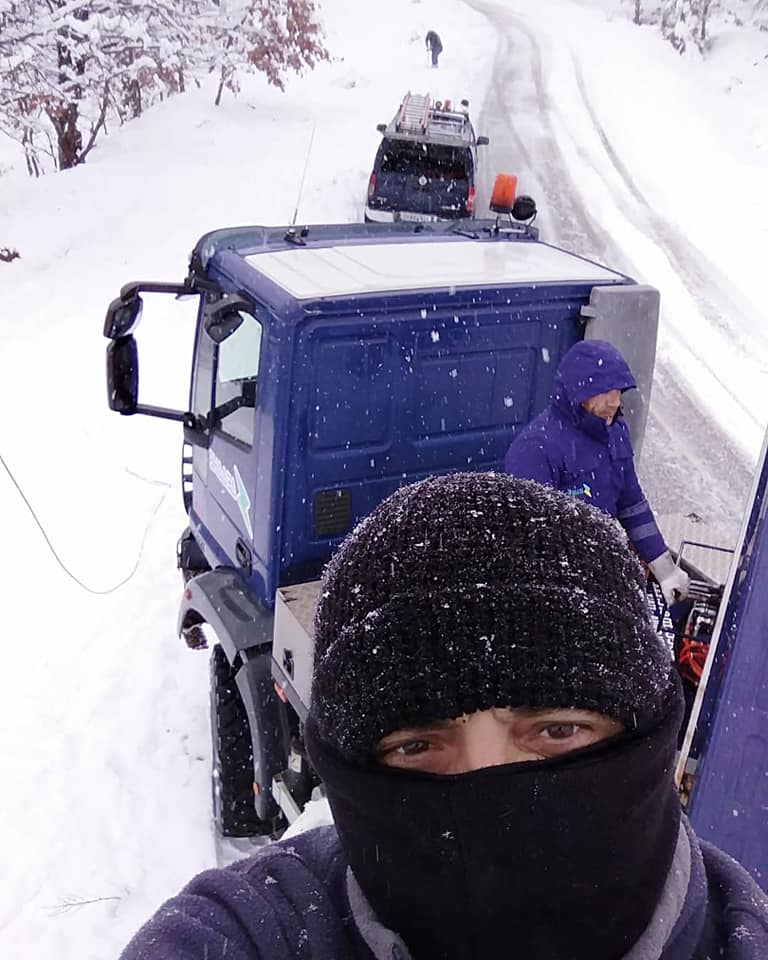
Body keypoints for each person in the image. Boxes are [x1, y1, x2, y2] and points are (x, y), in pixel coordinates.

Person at [120, 472, 767, 959]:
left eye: (556, 730)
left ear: (646, 736)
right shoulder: (257, 928)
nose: (486, 793)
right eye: (417, 746)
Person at [504, 338, 690, 605]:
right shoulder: (535, 449)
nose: (615, 402)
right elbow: (532, 541)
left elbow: (632, 504)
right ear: (579, 392)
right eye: (606, 392)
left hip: (602, 574)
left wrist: (664, 568)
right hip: (560, 590)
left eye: (619, 391)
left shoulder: (615, 433)